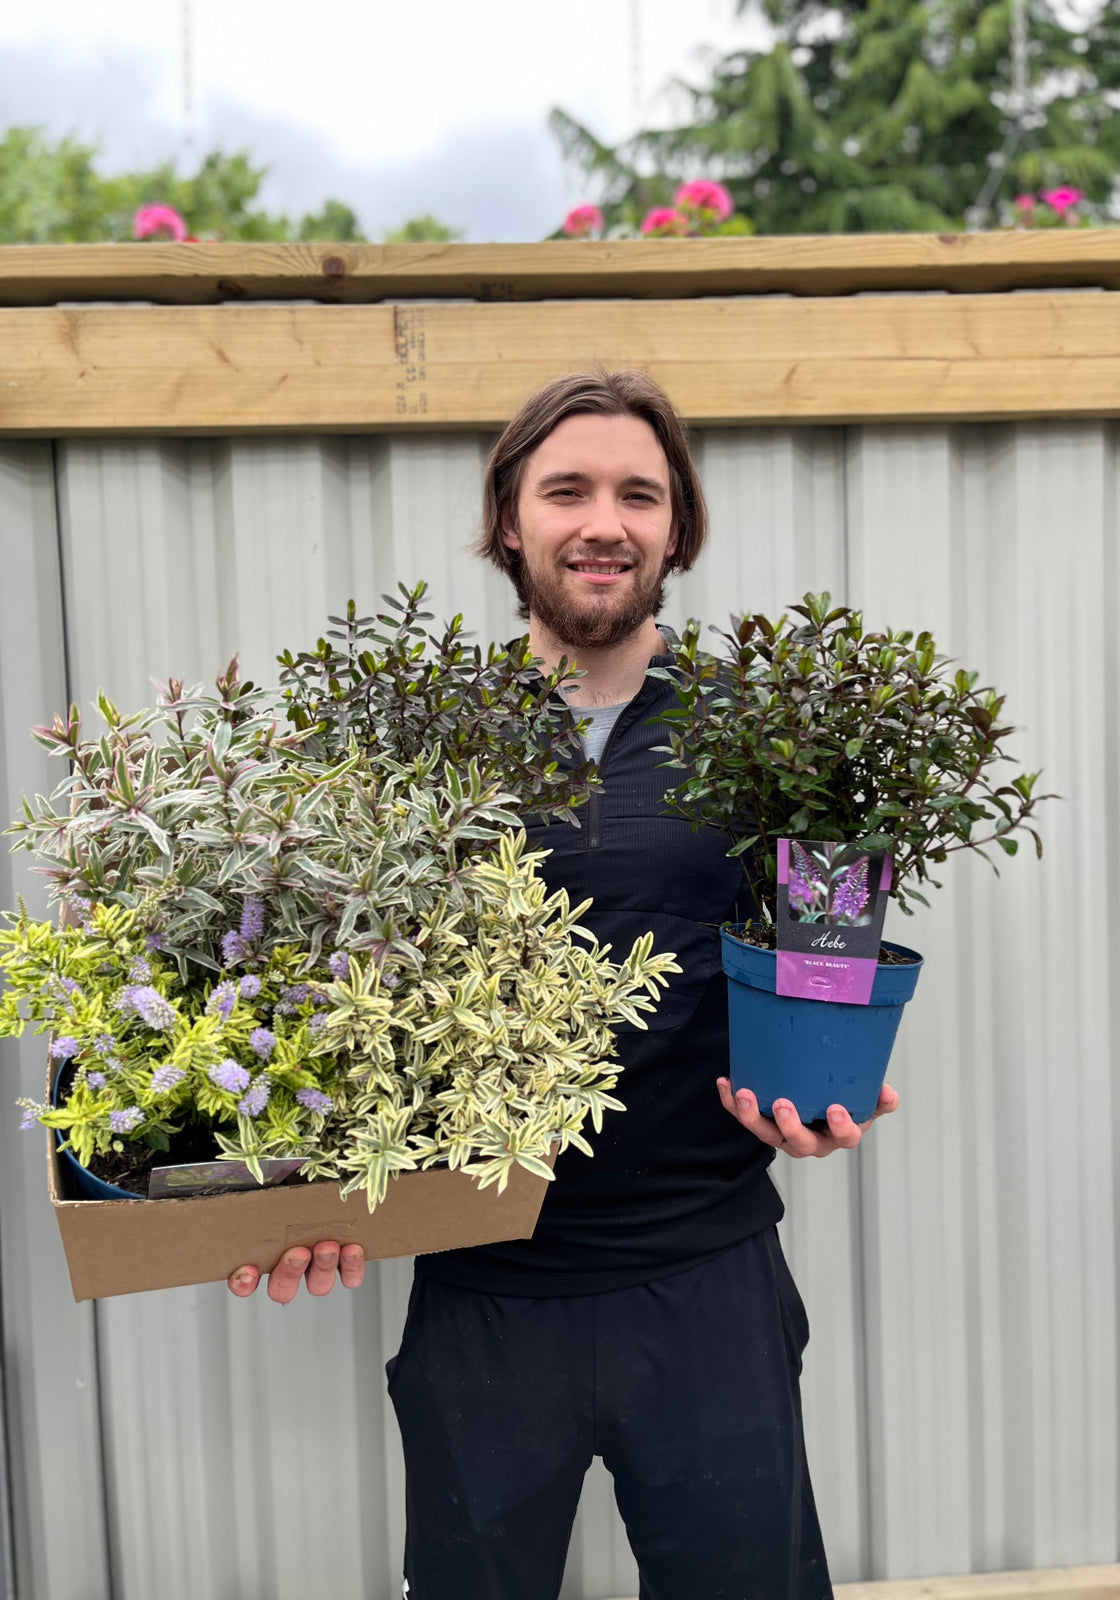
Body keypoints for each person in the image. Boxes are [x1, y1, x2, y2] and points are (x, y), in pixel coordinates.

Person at [228, 370, 898, 1600]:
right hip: (483, 1287)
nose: (605, 521)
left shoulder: (766, 735)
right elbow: (315, 999)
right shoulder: (416, 745)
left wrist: (823, 1095)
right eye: (567, 489)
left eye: (639, 493)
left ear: (678, 529)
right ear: (507, 521)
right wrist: (292, 1194)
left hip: (708, 1286)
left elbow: (826, 960)